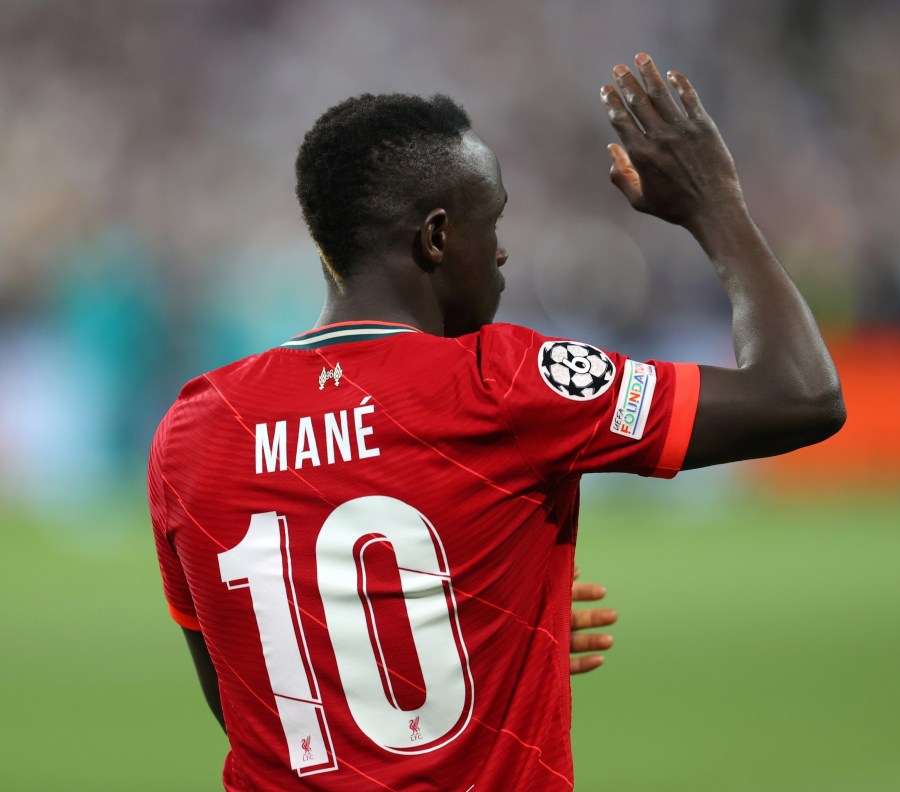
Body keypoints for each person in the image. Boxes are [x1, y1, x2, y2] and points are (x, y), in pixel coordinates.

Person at [148, 53, 845, 791]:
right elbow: (799, 394)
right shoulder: (501, 384)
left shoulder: (194, 429)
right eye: (495, 219)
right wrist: (715, 203)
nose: (505, 249)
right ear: (437, 237)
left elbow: (253, 699)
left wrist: (468, 630)